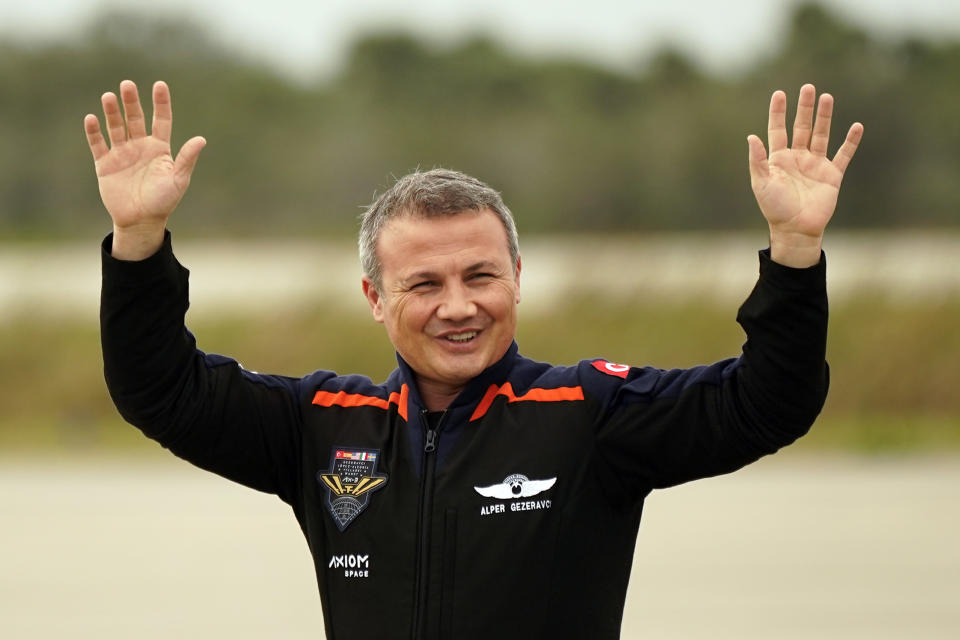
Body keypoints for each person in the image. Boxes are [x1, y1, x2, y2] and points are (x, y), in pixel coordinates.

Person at [85, 80, 862, 639]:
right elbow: (160, 390)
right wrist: (139, 244)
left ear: (516, 279)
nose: (458, 305)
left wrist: (794, 254)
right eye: (424, 283)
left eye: (480, 275)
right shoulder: (318, 427)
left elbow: (768, 403)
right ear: (374, 296)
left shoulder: (591, 414)